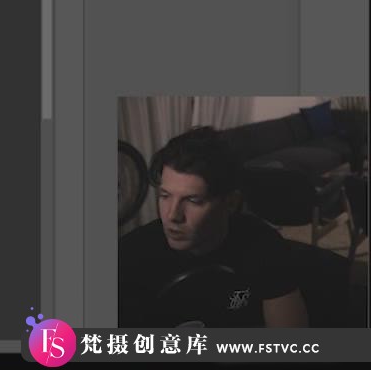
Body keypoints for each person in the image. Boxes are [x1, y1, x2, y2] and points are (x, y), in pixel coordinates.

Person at [119, 127, 309, 328]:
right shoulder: (129, 257)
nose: (172, 215)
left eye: (193, 200)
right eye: (165, 196)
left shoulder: (263, 245)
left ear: (230, 202)